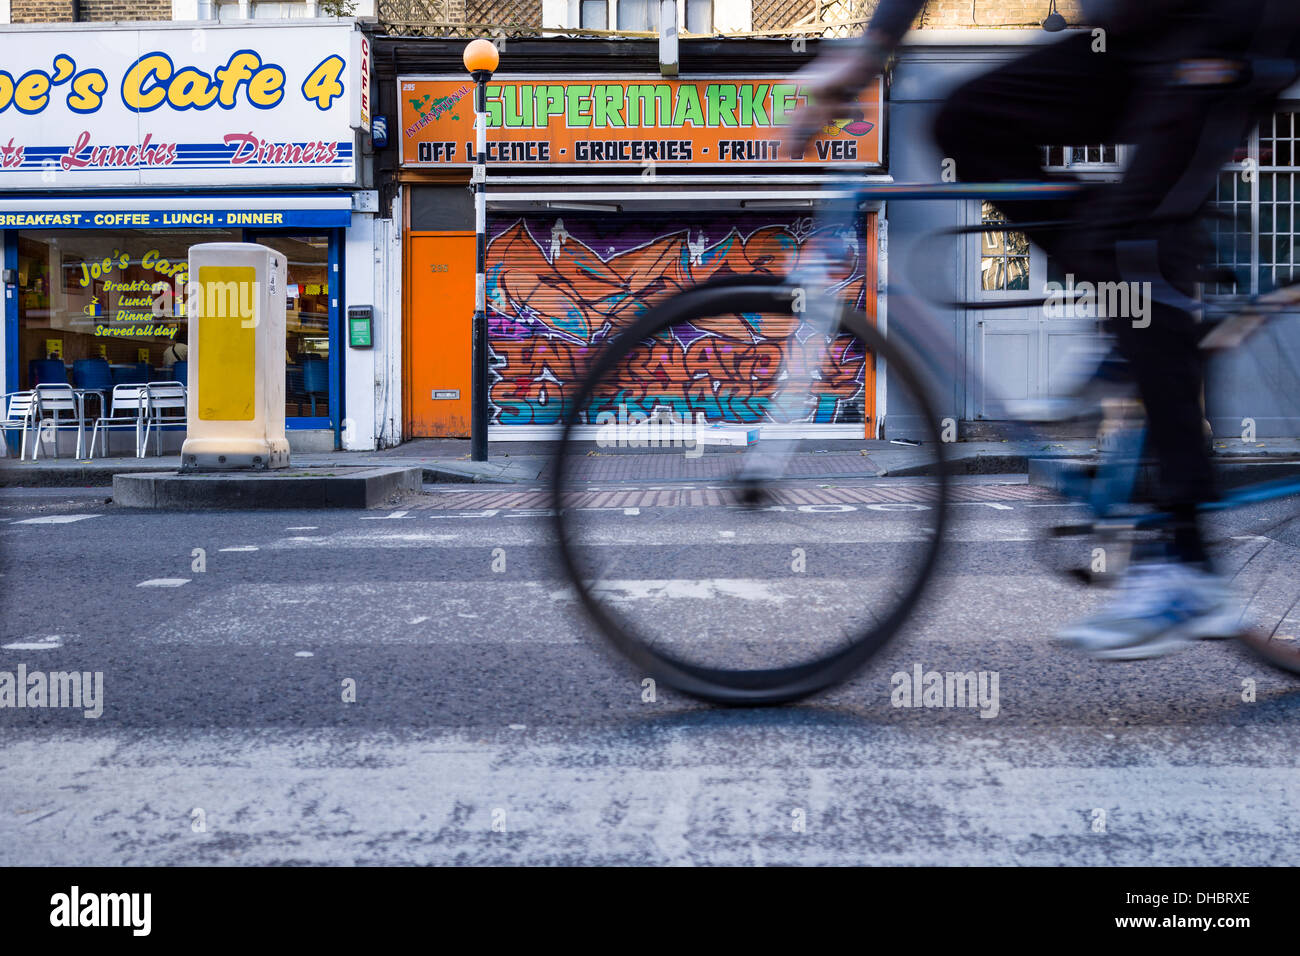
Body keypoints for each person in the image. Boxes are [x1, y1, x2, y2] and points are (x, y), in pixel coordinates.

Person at [788, 0, 1300, 659]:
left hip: (1233, 24)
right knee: (970, 121)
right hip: (1135, 36)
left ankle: (1186, 568)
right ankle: (1133, 314)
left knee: (1133, 238)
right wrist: (871, 46)